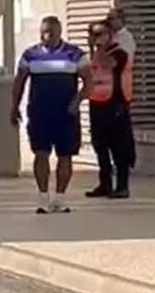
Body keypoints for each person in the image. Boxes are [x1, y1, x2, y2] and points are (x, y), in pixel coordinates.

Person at [11, 16, 91, 214]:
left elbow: (89, 83)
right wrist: (14, 106)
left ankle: (60, 198)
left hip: (65, 113)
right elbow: (19, 81)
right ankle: (42, 197)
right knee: (41, 153)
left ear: (59, 32)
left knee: (65, 155)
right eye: (43, 32)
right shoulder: (30, 55)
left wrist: (76, 101)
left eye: (50, 33)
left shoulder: (75, 54)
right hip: (40, 112)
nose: (46, 36)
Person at [85, 20, 134, 199]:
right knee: (100, 145)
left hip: (115, 103)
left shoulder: (119, 52)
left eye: (99, 34)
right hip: (97, 103)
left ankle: (122, 186)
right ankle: (104, 184)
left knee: (119, 147)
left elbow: (109, 64)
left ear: (110, 35)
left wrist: (96, 49)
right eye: (92, 34)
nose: (95, 38)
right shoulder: (94, 55)